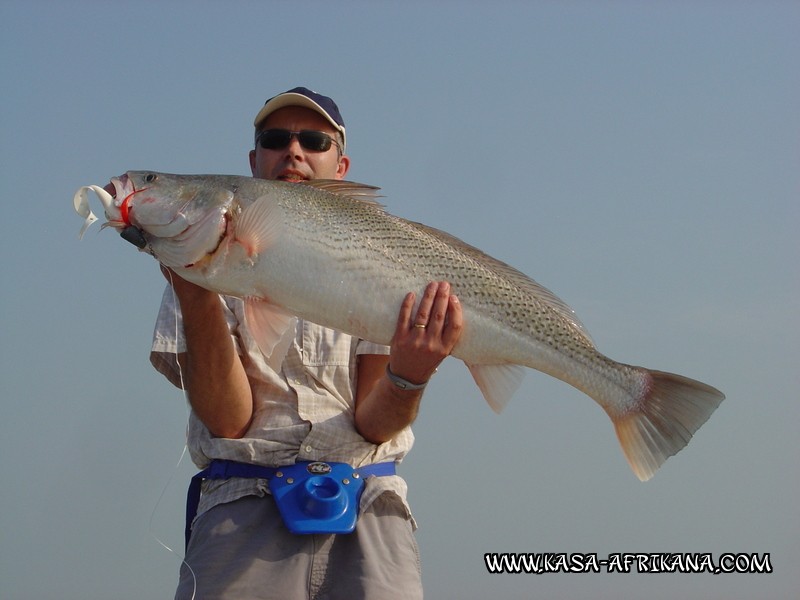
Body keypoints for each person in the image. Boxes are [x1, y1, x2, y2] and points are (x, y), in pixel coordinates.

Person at [150, 87, 463, 599]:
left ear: (341, 165)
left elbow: (374, 422)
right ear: (254, 162)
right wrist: (197, 292)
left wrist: (410, 375)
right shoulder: (202, 255)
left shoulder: (382, 258)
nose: (293, 152)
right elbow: (228, 420)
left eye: (314, 140)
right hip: (242, 508)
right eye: (276, 139)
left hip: (369, 508)